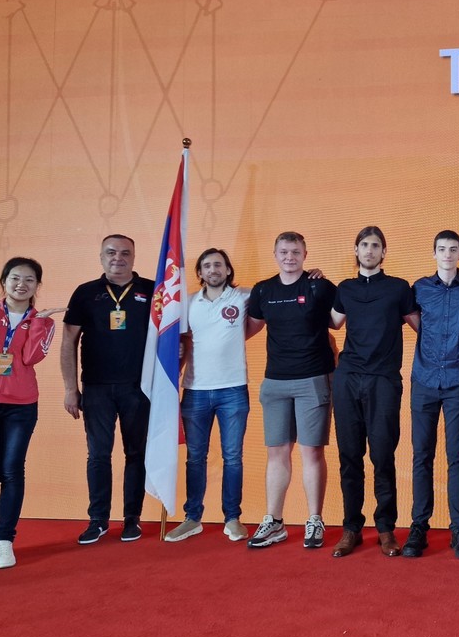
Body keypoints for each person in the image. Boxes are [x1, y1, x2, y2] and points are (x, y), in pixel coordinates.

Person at [0, 258, 63, 569]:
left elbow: (31, 358)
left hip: (20, 405)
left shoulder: (43, 322)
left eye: (29, 279)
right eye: (15, 278)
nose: (22, 284)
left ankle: (5, 540)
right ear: (4, 281)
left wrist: (39, 324)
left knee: (12, 471)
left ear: (37, 286)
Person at [330, 226, 419, 557]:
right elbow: (331, 322)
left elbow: (422, 326)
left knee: (382, 456)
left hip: (383, 380)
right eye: (364, 244)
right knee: (349, 456)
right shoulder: (345, 289)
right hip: (348, 378)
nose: (369, 250)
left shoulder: (399, 288)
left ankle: (385, 529)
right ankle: (351, 528)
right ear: (356, 250)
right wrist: (312, 283)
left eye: (376, 245)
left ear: (384, 252)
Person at [246, 232, 337, 549]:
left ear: (305, 255)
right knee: (277, 453)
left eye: (295, 252)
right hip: (275, 382)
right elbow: (246, 329)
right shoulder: (263, 290)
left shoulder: (319, 287)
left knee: (311, 452)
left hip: (313, 379)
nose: (289, 257)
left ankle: (314, 519)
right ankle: (274, 521)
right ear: (275, 254)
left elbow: (338, 322)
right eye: (284, 252)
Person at [62, 234, 155, 544]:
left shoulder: (153, 290)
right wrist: (70, 388)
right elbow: (68, 341)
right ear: (101, 257)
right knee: (98, 455)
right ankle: (98, 520)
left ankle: (131, 519)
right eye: (111, 252)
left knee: (136, 453)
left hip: (138, 387)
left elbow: (170, 336)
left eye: (125, 253)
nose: (118, 258)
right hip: (96, 388)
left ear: (134, 257)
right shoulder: (85, 293)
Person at [402, 230, 459, 559]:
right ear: (433, 253)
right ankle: (419, 526)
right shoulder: (419, 289)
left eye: (453, 249)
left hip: (458, 382)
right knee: (421, 455)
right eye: (441, 249)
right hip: (424, 381)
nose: (447, 254)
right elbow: (406, 318)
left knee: (457, 456)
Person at [165, 248, 254, 543]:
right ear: (200, 273)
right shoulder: (188, 303)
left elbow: (280, 288)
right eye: (206, 266)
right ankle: (192, 518)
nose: (213, 269)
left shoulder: (244, 296)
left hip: (233, 389)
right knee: (195, 458)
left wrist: (312, 275)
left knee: (233, 457)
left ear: (228, 270)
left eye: (218, 264)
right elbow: (176, 340)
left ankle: (233, 518)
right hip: (195, 391)